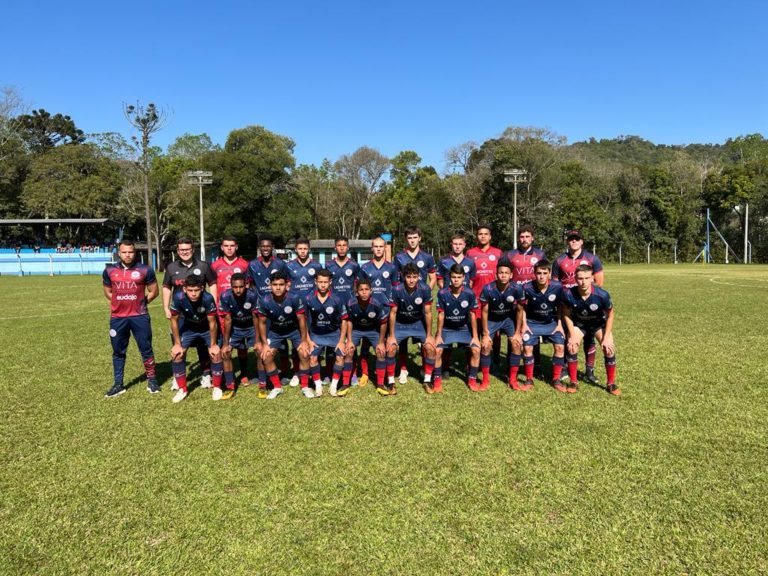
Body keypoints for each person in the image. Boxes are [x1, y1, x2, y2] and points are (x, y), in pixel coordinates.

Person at [102, 239, 160, 397]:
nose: (128, 255)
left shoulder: (145, 269)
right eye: (124, 252)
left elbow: (154, 291)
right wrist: (117, 301)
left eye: (131, 252)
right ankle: (118, 384)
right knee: (118, 351)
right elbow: (107, 291)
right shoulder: (109, 270)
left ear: (135, 252)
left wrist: (142, 301)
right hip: (118, 317)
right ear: (119, 253)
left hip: (139, 316)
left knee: (146, 349)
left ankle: (152, 381)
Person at [162, 237, 218, 390]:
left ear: (193, 250)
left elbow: (213, 285)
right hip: (180, 314)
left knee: (202, 344)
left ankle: (206, 375)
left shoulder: (204, 266)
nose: (184, 252)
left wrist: (214, 305)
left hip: (201, 313)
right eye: (181, 250)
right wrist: (166, 307)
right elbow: (166, 287)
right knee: (178, 344)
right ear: (177, 251)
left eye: (187, 249)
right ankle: (178, 377)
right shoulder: (171, 267)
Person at [552, 229, 605, 384]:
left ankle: (589, 371)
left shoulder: (592, 259)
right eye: (571, 239)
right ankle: (566, 367)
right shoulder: (559, 260)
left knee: (589, 338)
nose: (573, 241)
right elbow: (555, 284)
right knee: (568, 337)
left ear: (582, 241)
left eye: (577, 239)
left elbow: (599, 284)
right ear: (568, 242)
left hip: (586, 304)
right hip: (567, 305)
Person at [561, 264, 619, 395]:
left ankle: (611, 383)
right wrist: (571, 334)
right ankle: (574, 381)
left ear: (592, 278)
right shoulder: (569, 294)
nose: (583, 281)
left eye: (587, 278)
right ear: (575, 279)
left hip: (599, 324)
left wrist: (606, 337)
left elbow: (611, 314)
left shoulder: (602, 295)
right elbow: (566, 313)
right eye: (580, 278)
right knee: (572, 346)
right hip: (580, 324)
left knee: (609, 349)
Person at [255, 270, 313, 399]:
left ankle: (305, 386)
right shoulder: (264, 300)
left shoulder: (294, 298)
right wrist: (264, 344)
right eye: (275, 284)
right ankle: (277, 387)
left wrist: (304, 341)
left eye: (281, 284)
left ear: (287, 285)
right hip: (275, 331)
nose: (278, 287)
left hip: (293, 330)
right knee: (266, 356)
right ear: (270, 285)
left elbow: (301, 320)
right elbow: (262, 323)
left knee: (304, 353)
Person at [168, 275, 224, 403]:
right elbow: (174, 321)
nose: (194, 294)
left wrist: (213, 344)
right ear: (184, 289)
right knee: (177, 354)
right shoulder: (178, 297)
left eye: (197, 290)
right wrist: (177, 344)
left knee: (216, 354)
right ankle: (182, 389)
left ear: (202, 288)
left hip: (205, 328)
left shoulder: (208, 298)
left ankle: (217, 387)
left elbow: (212, 323)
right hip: (188, 328)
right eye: (190, 290)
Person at [386, 263, 437, 394]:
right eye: (408, 277)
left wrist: (429, 335)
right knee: (391, 347)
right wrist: (391, 335)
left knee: (430, 347)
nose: (412, 280)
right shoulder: (396, 289)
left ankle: (427, 380)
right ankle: (391, 382)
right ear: (403, 276)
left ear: (419, 277)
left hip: (417, 323)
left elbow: (428, 313)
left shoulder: (425, 289)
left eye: (415, 277)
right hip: (400, 323)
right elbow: (392, 313)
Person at [246, 235, 289, 389]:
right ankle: (262, 375)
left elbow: (287, 282)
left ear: (272, 247)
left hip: (279, 307)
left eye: (268, 246)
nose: (265, 249)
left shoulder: (280, 263)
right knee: (261, 342)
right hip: (261, 309)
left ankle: (284, 373)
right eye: (263, 246)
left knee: (282, 342)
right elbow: (249, 284)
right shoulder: (252, 264)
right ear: (259, 247)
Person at [302, 269, 352, 397]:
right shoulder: (308, 298)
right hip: (316, 335)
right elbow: (303, 321)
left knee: (341, 356)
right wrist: (308, 340)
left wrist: (341, 341)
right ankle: (318, 386)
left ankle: (334, 386)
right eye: (320, 282)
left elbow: (344, 321)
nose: (323, 285)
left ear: (330, 282)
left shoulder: (337, 299)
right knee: (312, 358)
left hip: (334, 334)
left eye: (325, 282)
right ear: (315, 282)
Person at [519, 260, 566, 392]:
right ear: (534, 274)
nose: (541, 276)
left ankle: (556, 379)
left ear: (549, 274)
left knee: (560, 347)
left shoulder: (557, 287)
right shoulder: (527, 287)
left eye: (544, 273)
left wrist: (560, 325)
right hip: (532, 323)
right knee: (527, 347)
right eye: (538, 273)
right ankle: (529, 379)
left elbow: (561, 307)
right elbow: (521, 307)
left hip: (552, 323)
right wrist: (524, 324)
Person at [434, 264, 481, 393]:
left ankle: (472, 379)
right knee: (437, 350)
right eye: (454, 277)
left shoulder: (469, 293)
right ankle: (437, 380)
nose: (456, 280)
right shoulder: (442, 293)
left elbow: (472, 315)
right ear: (449, 277)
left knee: (476, 350)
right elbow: (441, 315)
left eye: (459, 277)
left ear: (463, 278)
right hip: (447, 328)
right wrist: (438, 335)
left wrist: (476, 337)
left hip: (463, 328)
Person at [211, 235, 251, 386]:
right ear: (222, 247)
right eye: (226, 246)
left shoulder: (244, 264)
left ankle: (244, 374)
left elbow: (248, 286)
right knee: (224, 343)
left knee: (242, 345)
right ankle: (223, 374)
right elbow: (212, 286)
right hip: (223, 311)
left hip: (241, 310)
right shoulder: (215, 265)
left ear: (236, 247)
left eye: (232, 245)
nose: (229, 248)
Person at [479, 260, 525, 390]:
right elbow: (484, 312)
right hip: (492, 320)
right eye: (501, 273)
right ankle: (485, 380)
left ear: (511, 275)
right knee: (486, 346)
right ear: (496, 275)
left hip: (508, 319)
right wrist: (485, 333)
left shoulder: (517, 288)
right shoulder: (488, 289)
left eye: (506, 273)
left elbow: (520, 310)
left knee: (516, 344)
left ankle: (513, 380)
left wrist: (517, 332)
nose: (503, 275)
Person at [359, 237, 398, 384]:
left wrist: (393, 306)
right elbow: (359, 288)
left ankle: (388, 375)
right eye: (375, 246)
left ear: (385, 248)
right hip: (368, 311)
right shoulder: (365, 268)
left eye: (381, 246)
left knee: (387, 344)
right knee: (366, 344)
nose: (378, 249)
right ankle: (365, 373)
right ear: (372, 248)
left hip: (386, 311)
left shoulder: (392, 268)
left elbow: (395, 288)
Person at [436, 233, 477, 377]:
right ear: (451, 245)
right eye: (455, 244)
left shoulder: (470, 262)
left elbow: (471, 281)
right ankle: (446, 367)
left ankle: (467, 366)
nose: (457, 246)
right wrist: (445, 291)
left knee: (466, 331)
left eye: (460, 244)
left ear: (464, 245)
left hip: (464, 299)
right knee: (447, 331)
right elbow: (440, 279)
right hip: (449, 298)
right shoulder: (444, 261)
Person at [346, 278, 390, 396]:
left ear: (371, 291)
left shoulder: (377, 304)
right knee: (348, 350)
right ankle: (345, 383)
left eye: (366, 289)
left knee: (381, 351)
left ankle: (380, 384)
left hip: (372, 330)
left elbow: (383, 323)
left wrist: (381, 342)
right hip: (357, 330)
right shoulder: (351, 303)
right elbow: (349, 321)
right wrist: (349, 340)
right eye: (361, 290)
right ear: (357, 291)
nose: (364, 292)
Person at [218, 273, 259, 400]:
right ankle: (230, 385)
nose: (238, 290)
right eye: (235, 287)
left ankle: (261, 380)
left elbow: (256, 317)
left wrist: (258, 339)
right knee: (225, 353)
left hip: (251, 327)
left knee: (259, 350)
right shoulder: (225, 296)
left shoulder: (252, 295)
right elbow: (228, 320)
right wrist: (225, 343)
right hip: (235, 328)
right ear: (231, 286)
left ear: (246, 285)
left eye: (241, 287)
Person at [326, 235, 360, 300]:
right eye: (339, 245)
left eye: (344, 245)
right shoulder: (328, 265)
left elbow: (358, 284)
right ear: (335, 248)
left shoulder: (354, 265)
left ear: (348, 247)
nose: (342, 248)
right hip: (334, 302)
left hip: (350, 302)